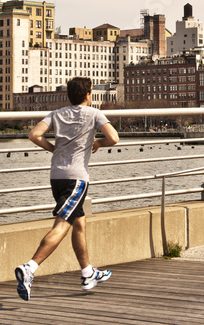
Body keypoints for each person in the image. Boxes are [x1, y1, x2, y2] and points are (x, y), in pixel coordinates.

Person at [15, 77, 119, 300]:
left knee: (78, 222)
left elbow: (34, 135)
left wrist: (54, 149)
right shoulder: (94, 114)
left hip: (57, 177)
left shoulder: (56, 113)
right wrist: (98, 143)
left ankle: (87, 272)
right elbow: (114, 138)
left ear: (68, 96)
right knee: (62, 225)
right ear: (88, 95)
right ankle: (30, 268)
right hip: (77, 179)